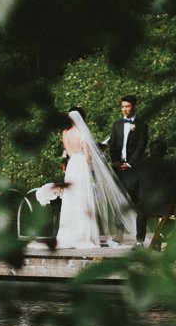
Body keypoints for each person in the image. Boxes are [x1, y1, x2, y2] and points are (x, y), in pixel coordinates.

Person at [55, 106, 137, 250]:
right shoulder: (83, 133)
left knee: (71, 200)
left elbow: (68, 152)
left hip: (72, 166)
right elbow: (88, 157)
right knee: (84, 200)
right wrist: (94, 167)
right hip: (81, 167)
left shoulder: (65, 132)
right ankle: (85, 236)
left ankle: (67, 237)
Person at [101, 95, 149, 208]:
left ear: (134, 107)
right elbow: (112, 144)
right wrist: (116, 161)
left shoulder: (142, 125)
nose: (124, 109)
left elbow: (141, 146)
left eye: (127, 106)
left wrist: (129, 164)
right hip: (118, 168)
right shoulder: (116, 125)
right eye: (122, 107)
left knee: (132, 199)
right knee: (117, 199)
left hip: (134, 168)